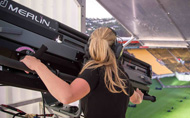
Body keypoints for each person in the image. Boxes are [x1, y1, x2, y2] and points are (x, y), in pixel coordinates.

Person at [21, 27, 144, 118]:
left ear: (89, 48)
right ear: (117, 51)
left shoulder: (94, 71)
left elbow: (67, 96)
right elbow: (136, 99)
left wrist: (37, 65)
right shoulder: (122, 76)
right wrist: (139, 95)